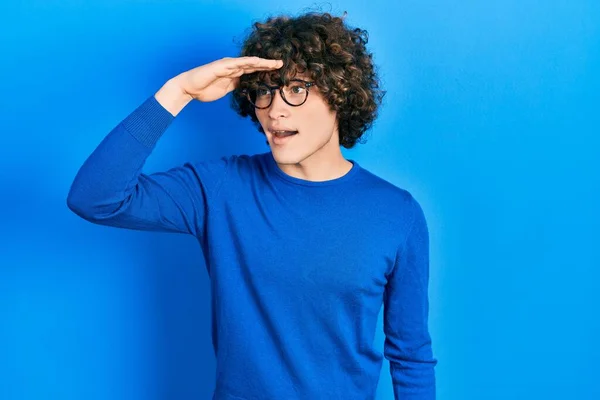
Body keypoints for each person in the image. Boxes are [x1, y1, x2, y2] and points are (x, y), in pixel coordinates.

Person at [67, 11, 437, 400]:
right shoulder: (220, 189)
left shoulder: (398, 214)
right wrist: (179, 92)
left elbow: (411, 355)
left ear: (339, 93)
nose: (275, 109)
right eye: (264, 90)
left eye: (296, 88)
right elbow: (95, 198)